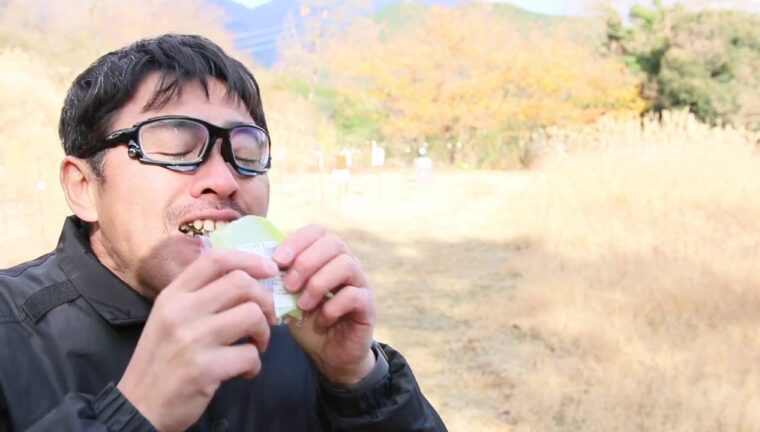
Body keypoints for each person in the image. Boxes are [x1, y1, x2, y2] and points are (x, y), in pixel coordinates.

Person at [0, 34, 446, 432]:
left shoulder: (300, 323)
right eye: (176, 145)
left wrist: (360, 383)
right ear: (84, 187)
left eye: (246, 152)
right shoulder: (11, 333)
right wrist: (133, 413)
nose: (226, 179)